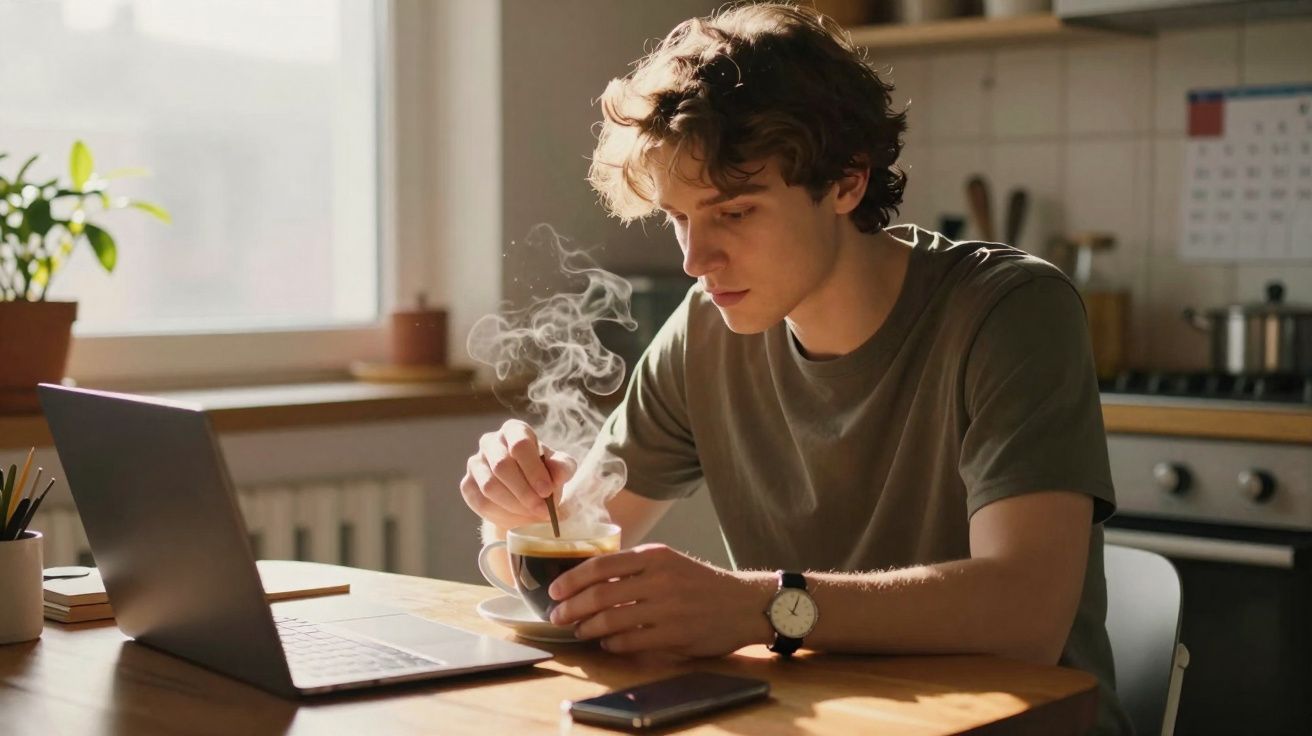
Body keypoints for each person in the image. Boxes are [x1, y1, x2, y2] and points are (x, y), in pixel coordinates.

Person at [460, 3, 1130, 734]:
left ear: (846, 182)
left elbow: (1026, 614)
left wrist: (761, 606)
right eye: (678, 217)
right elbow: (580, 559)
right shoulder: (704, 332)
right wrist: (520, 512)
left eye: (734, 213)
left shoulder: (1011, 311)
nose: (694, 260)